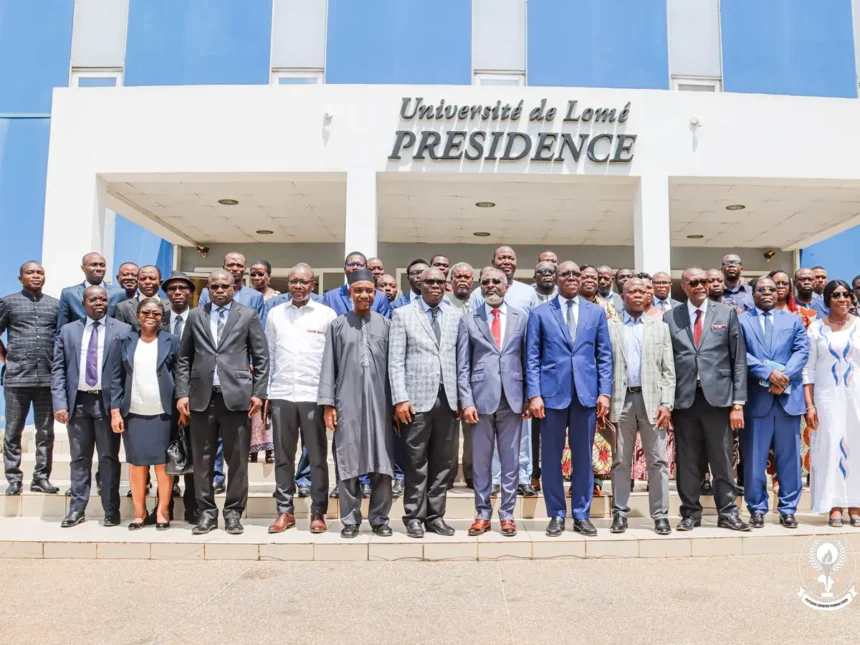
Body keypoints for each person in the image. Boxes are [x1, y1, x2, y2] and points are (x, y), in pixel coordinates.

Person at [175, 269, 269, 535]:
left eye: (224, 286)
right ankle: (206, 513)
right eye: (213, 286)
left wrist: (259, 393)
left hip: (237, 398)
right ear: (208, 289)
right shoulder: (196, 315)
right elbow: (184, 358)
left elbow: (261, 358)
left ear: (234, 288)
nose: (218, 290)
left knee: (237, 460)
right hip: (202, 398)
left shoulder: (248, 315)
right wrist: (182, 393)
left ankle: (233, 514)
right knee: (203, 460)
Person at [526, 261, 612, 537]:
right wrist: (534, 394)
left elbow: (604, 356)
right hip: (551, 397)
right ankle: (556, 514)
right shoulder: (540, 313)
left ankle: (581, 514)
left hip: (586, 395)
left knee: (584, 457)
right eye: (566, 274)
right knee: (550, 458)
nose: (572, 278)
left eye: (576, 274)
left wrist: (605, 392)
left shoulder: (596, 313)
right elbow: (532, 357)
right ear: (557, 279)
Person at [664, 268, 749, 532]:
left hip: (718, 399)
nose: (701, 285)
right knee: (688, 460)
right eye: (695, 282)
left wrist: (738, 403)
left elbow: (738, 361)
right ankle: (690, 513)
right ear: (684, 287)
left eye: (705, 281)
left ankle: (728, 512)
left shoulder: (726, 313)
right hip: (684, 399)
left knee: (722, 458)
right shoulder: (670, 317)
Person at [319, 270, 394, 538]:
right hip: (347, 404)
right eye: (358, 290)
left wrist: (397, 404)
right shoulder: (337, 325)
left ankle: (380, 519)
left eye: (369, 291)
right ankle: (350, 520)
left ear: (375, 294)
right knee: (347, 460)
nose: (364, 295)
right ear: (350, 294)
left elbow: (394, 368)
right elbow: (328, 365)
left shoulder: (386, 325)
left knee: (382, 462)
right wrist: (328, 404)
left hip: (381, 405)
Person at [457, 268, 529, 537]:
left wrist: (529, 397)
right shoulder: (469, 320)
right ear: (480, 287)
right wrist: (466, 401)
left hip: (512, 399)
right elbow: (462, 365)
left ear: (506, 286)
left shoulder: (521, 318)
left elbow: (527, 360)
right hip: (480, 400)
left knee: (510, 461)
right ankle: (482, 513)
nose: (491, 286)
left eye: (496, 282)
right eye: (485, 282)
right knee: (481, 462)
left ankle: (507, 515)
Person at [390, 267, 460, 538]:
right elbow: (395, 361)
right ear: (419, 284)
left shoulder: (455, 317)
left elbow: (459, 359)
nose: (435, 285)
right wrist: (400, 398)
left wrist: (462, 400)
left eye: (440, 282)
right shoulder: (403, 315)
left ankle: (435, 516)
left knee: (443, 462)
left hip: (448, 399)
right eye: (429, 281)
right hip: (415, 401)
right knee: (415, 460)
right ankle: (414, 517)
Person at [265, 264, 336, 535]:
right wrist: (267, 394)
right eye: (293, 281)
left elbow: (332, 359)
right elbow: (269, 355)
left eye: (303, 282)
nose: (297, 286)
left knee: (317, 457)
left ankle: (318, 511)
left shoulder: (326, 315)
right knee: (283, 457)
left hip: (313, 396)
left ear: (312, 284)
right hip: (282, 393)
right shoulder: (275, 314)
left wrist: (329, 399)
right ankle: (285, 511)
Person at [52, 285, 130, 527]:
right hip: (78, 405)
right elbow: (58, 370)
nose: (99, 303)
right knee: (79, 458)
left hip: (108, 405)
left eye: (104, 299)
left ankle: (111, 509)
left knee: (109, 458)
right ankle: (76, 510)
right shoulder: (67, 331)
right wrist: (60, 403)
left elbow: (126, 373)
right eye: (93, 299)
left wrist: (119, 407)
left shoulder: (123, 330)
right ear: (84, 303)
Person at [738, 277, 808, 529]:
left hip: (787, 398)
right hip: (757, 400)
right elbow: (739, 354)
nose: (767, 292)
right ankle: (756, 508)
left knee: (789, 459)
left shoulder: (793, 319)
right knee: (755, 459)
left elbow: (802, 351)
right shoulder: (742, 320)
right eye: (761, 289)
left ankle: (788, 509)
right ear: (752, 293)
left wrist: (784, 376)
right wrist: (768, 373)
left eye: (771, 288)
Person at [607, 278, 675, 535]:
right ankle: (620, 514)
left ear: (648, 297)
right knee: (621, 460)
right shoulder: (610, 326)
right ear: (622, 297)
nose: (636, 295)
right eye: (630, 291)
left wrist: (667, 403)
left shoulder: (660, 327)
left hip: (653, 403)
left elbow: (668, 370)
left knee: (657, 460)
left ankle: (660, 515)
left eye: (641, 291)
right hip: (621, 400)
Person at [470, 246, 539, 497]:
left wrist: (531, 390)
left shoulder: (527, 292)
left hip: (515, 379)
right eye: (502, 258)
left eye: (511, 257)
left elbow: (530, 342)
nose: (507, 261)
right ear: (494, 261)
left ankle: (523, 477)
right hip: (487, 381)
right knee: (491, 443)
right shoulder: (480, 293)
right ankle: (496, 480)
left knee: (521, 438)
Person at [110, 297, 181, 530]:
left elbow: (182, 374)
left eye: (157, 313)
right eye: (146, 312)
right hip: (134, 412)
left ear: (163, 317)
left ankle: (163, 511)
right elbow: (115, 378)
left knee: (163, 465)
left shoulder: (172, 340)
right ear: (138, 316)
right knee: (137, 464)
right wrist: (115, 411)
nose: (151, 316)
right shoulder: (125, 341)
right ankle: (139, 512)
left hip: (164, 412)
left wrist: (183, 404)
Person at [804, 280, 860, 527]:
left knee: (857, 448)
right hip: (826, 398)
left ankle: (856, 504)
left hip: (856, 396)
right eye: (836, 295)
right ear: (827, 299)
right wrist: (810, 405)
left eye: (846, 294)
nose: (842, 299)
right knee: (829, 448)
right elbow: (808, 370)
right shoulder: (816, 328)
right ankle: (834, 505)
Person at [0, 262, 60, 495]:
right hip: (16, 379)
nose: (35, 276)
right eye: (30, 272)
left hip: (47, 379)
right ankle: (14, 478)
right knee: (14, 430)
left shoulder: (55, 305)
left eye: (40, 272)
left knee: (46, 432)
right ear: (20, 278)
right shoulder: (8, 302)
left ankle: (41, 477)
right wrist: (8, 359)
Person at [159, 270, 198, 522]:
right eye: (172, 289)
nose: (177, 292)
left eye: (183, 288)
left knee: (193, 453)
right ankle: (165, 504)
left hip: (196, 399)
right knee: (164, 454)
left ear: (191, 293)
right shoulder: (154, 319)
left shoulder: (201, 319)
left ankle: (193, 506)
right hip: (160, 399)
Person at [446, 262, 474, 489]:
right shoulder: (443, 307)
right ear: (451, 281)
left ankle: (472, 476)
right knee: (449, 435)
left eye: (467, 276)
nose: (463, 280)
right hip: (447, 379)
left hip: (473, 381)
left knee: (473, 433)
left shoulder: (478, 307)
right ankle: (447, 477)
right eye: (458, 276)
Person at [248, 260, 279, 463]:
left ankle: (270, 448)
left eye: (261, 274)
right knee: (253, 404)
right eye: (254, 274)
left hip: (272, 355)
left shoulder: (276, 298)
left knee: (270, 405)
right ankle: (252, 448)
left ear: (268, 275)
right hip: (252, 359)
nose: (258, 278)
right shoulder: (247, 297)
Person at [57, 252, 127, 329]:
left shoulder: (119, 293)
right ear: (83, 268)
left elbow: (123, 327)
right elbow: (61, 328)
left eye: (102, 265)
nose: (99, 268)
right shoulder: (68, 294)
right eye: (94, 265)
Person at [198, 252, 266, 320]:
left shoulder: (255, 296)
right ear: (223, 267)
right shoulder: (207, 292)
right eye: (230, 265)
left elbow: (258, 327)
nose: (235, 269)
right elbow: (200, 320)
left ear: (245, 268)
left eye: (239, 265)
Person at [323, 252, 391, 319]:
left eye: (360, 264)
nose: (355, 267)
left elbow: (384, 326)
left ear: (366, 269)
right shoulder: (330, 297)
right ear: (344, 269)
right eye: (350, 264)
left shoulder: (380, 297)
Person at [114, 265, 167, 331]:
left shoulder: (170, 306)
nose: (147, 282)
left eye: (152, 278)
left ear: (160, 282)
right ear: (138, 282)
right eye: (143, 279)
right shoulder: (123, 307)